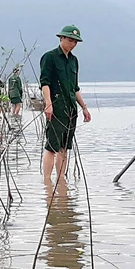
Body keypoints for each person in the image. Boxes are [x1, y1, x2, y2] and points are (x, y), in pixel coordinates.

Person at [40, 25, 91, 184]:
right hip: (56, 106)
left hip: (70, 108)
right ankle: (47, 181)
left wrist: (84, 107)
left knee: (64, 147)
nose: (73, 43)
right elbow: (45, 82)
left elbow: (74, 88)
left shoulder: (74, 61)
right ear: (61, 38)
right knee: (52, 146)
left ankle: (61, 179)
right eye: (70, 40)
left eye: (75, 41)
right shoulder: (50, 57)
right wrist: (48, 104)